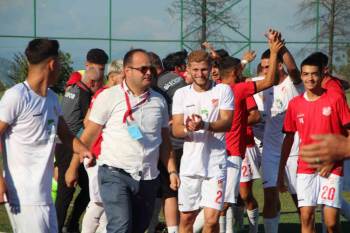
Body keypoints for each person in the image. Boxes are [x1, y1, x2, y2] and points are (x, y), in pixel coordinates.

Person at [66, 48, 180, 233]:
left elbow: (165, 141)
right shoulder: (108, 97)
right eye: (143, 69)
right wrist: (72, 168)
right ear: (127, 70)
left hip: (147, 177)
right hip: (114, 174)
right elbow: (88, 136)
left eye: (150, 68)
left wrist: (172, 170)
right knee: (120, 226)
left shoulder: (159, 101)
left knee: (138, 227)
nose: (149, 72)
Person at [0, 38, 92, 233]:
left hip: (44, 196)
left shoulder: (51, 97)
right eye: (59, 63)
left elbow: (65, 134)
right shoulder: (16, 96)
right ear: (52, 64)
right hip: (23, 196)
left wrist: (84, 151)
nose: (60, 68)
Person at [277, 55, 350, 233]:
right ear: (301, 76)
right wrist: (280, 171)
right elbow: (288, 139)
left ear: (321, 75)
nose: (310, 78)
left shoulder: (335, 99)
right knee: (306, 216)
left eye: (314, 74)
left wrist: (334, 159)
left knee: (331, 222)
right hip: (305, 167)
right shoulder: (295, 104)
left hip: (331, 167)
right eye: (306, 74)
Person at [218, 35, 283, 233]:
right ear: (236, 72)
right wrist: (273, 53)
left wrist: (244, 61)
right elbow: (270, 80)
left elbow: (253, 114)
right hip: (233, 152)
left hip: (225, 151)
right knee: (222, 204)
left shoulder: (216, 88)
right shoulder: (238, 89)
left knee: (226, 201)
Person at [172, 49, 234, 233]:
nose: (200, 74)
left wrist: (204, 125)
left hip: (215, 164)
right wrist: (187, 129)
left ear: (211, 68)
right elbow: (175, 128)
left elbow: (227, 122)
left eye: (204, 69)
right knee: (187, 219)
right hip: (190, 165)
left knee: (212, 220)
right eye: (196, 70)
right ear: (188, 70)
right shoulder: (181, 94)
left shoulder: (223, 90)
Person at [55, 48, 108, 233]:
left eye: (102, 70)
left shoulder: (73, 86)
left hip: (64, 145)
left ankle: (69, 225)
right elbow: (89, 123)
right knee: (68, 192)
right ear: (88, 68)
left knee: (86, 189)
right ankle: (62, 226)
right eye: (98, 71)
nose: (100, 75)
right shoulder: (84, 94)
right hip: (72, 146)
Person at [259, 29, 303, 233]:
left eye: (269, 66)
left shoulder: (292, 84)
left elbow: (294, 70)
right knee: (269, 196)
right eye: (262, 67)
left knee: (300, 201)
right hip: (270, 150)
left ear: (279, 65)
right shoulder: (261, 85)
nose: (265, 70)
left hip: (294, 150)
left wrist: (280, 48)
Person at [78, 60, 124, 233]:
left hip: (110, 155)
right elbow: (88, 122)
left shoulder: (113, 94)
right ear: (113, 76)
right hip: (97, 154)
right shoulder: (104, 94)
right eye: (123, 76)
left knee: (109, 203)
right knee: (98, 202)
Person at [148, 51, 188, 233]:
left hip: (168, 143)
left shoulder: (155, 86)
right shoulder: (177, 78)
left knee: (166, 190)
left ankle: (160, 227)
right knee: (173, 190)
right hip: (186, 141)